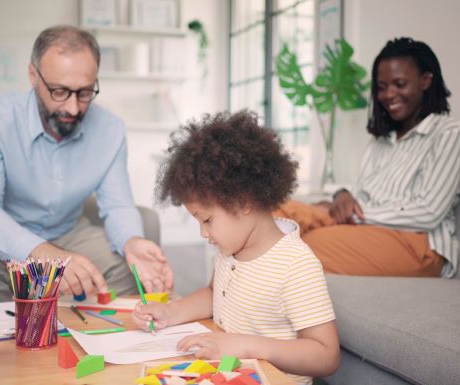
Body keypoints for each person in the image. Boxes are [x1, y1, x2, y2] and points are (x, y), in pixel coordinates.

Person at [0, 25, 173, 306]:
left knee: (129, 269)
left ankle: (87, 345)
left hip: (68, 233)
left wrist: (131, 241)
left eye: (85, 93)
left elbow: (117, 206)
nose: (73, 108)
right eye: (59, 91)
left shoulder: (110, 129)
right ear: (33, 76)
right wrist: (43, 253)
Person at [133, 111, 340, 385]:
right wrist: (172, 312)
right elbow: (212, 294)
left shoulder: (295, 263)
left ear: (242, 201)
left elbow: (326, 356)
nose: (203, 233)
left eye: (207, 220)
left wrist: (244, 346)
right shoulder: (230, 250)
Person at [274, 37, 460, 278]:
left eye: (399, 84)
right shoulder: (381, 141)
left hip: (418, 245)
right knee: (273, 214)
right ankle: (216, 303)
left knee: (298, 245)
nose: (388, 94)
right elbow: (363, 191)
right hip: (370, 228)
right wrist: (342, 196)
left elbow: (428, 212)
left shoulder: (447, 133)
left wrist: (355, 214)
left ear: (426, 81)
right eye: (382, 87)